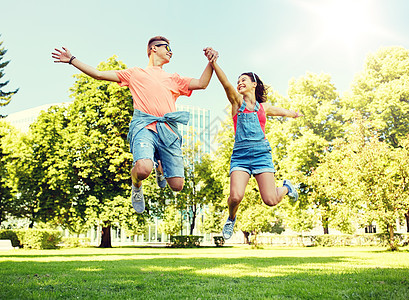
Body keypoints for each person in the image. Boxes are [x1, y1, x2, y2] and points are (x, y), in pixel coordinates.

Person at [52, 36, 219, 214]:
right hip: (144, 127)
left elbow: (202, 84)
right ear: (153, 49)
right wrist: (71, 59)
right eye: (167, 47)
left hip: (168, 131)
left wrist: (211, 62)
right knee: (143, 169)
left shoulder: (173, 78)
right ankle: (136, 184)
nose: (171, 51)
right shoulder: (135, 73)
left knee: (177, 185)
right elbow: (99, 74)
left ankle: (160, 167)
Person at [204, 51, 302, 240]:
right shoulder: (236, 102)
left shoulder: (263, 108)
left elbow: (280, 111)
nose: (240, 82)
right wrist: (214, 63)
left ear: (254, 84)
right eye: (238, 80)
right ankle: (231, 219)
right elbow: (225, 83)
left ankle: (287, 188)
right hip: (240, 156)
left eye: (244, 80)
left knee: (271, 200)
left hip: (261, 155)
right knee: (235, 197)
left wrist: (294, 113)